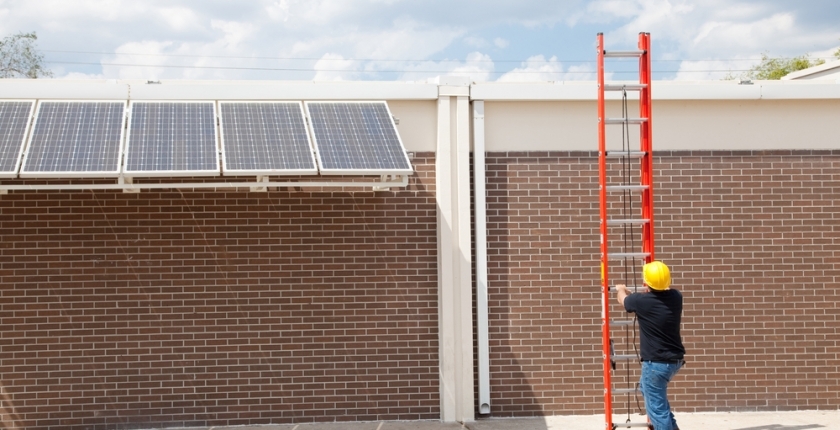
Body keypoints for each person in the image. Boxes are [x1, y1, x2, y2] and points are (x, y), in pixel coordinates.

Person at [615, 260, 685, 430]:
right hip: (674, 361)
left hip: (656, 363)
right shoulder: (676, 297)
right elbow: (661, 293)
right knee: (652, 396)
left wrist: (621, 289)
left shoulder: (641, 301)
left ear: (646, 282)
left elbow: (623, 300)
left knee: (656, 409)